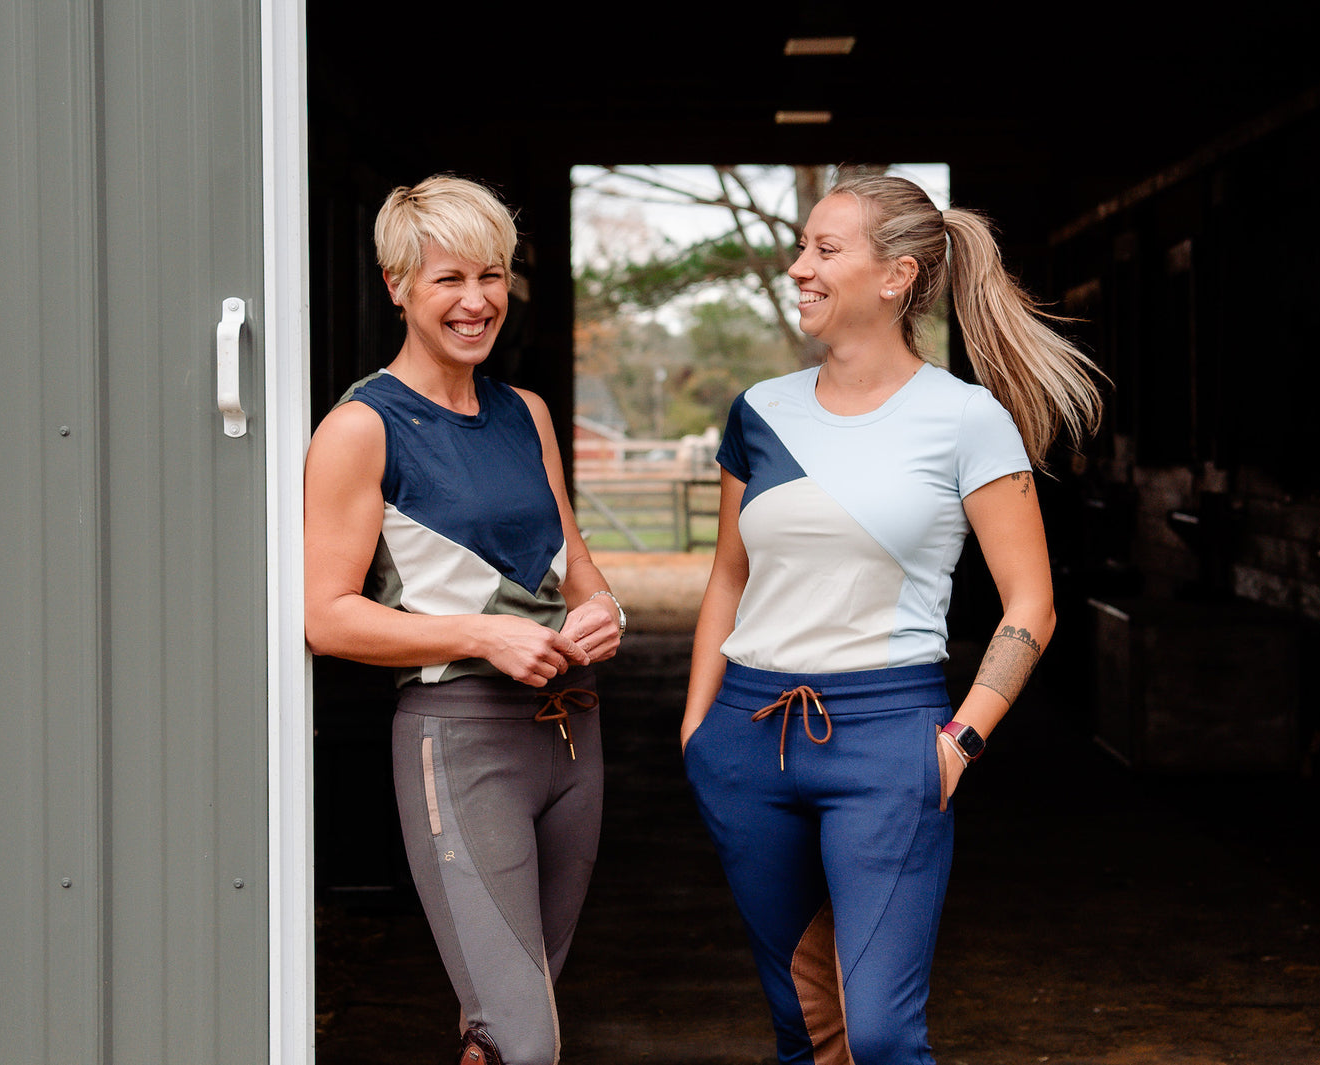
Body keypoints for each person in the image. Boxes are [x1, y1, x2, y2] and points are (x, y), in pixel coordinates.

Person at [680, 172, 1103, 1064]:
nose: (799, 266)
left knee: (879, 1033)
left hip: (888, 739)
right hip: (746, 738)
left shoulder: (964, 418)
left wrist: (961, 741)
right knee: (806, 1025)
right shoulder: (759, 413)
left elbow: (1033, 602)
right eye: (801, 245)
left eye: (825, 250)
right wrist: (697, 727)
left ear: (896, 276)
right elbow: (727, 578)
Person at [304, 174, 625, 1065]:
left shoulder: (526, 413)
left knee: (517, 1020)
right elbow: (326, 618)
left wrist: (604, 613)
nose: (476, 301)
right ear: (397, 284)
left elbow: (577, 566)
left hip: (571, 740)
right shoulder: (362, 428)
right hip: (461, 741)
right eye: (448, 279)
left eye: (491, 276)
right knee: (524, 1038)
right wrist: (481, 633)